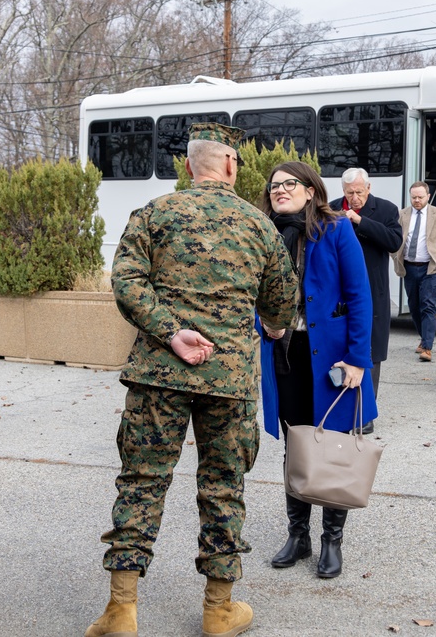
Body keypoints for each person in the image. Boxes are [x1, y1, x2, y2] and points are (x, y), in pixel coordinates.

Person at [85, 123, 297, 637]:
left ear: (187, 166)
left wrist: (170, 331)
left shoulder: (154, 214)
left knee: (141, 483)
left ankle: (121, 609)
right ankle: (219, 609)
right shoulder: (259, 225)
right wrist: (268, 323)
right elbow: (282, 305)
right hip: (228, 381)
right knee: (224, 486)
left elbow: (127, 282)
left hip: (158, 375)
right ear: (229, 164)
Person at [257, 161, 378, 579]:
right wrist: (265, 322)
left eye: (290, 184)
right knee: (296, 444)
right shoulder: (264, 233)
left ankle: (331, 541)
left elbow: (360, 298)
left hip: (332, 359)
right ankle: (298, 535)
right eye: (274, 186)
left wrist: (360, 360)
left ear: (311, 190)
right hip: (285, 354)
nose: (280, 190)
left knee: (334, 448)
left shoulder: (337, 229)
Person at [331, 167, 403, 403]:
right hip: (337, 291)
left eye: (359, 192)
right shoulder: (331, 209)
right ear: (343, 190)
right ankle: (340, 406)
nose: (354, 197)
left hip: (372, 289)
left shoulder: (385, 209)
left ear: (369, 188)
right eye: (350, 192)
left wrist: (360, 220)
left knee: (370, 349)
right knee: (338, 347)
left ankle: (365, 411)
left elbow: (394, 242)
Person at [392, 181, 436, 362]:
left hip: (432, 267)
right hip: (409, 267)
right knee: (414, 306)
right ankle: (424, 338)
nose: (417, 200)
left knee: (428, 305)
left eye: (420, 197)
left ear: (428, 196)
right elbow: (393, 236)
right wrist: (394, 254)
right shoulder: (402, 214)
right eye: (414, 197)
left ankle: (427, 348)